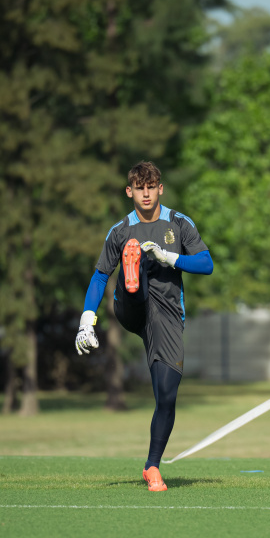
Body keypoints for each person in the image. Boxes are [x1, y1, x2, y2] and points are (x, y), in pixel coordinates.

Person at [75, 161, 213, 492]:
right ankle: (133, 272)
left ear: (160, 188)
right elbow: (98, 277)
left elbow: (206, 264)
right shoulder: (120, 230)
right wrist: (86, 322)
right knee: (133, 280)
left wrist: (170, 257)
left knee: (166, 396)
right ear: (130, 192)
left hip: (167, 316)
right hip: (132, 307)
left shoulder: (179, 224)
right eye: (140, 187)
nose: (146, 192)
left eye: (151, 186)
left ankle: (152, 467)